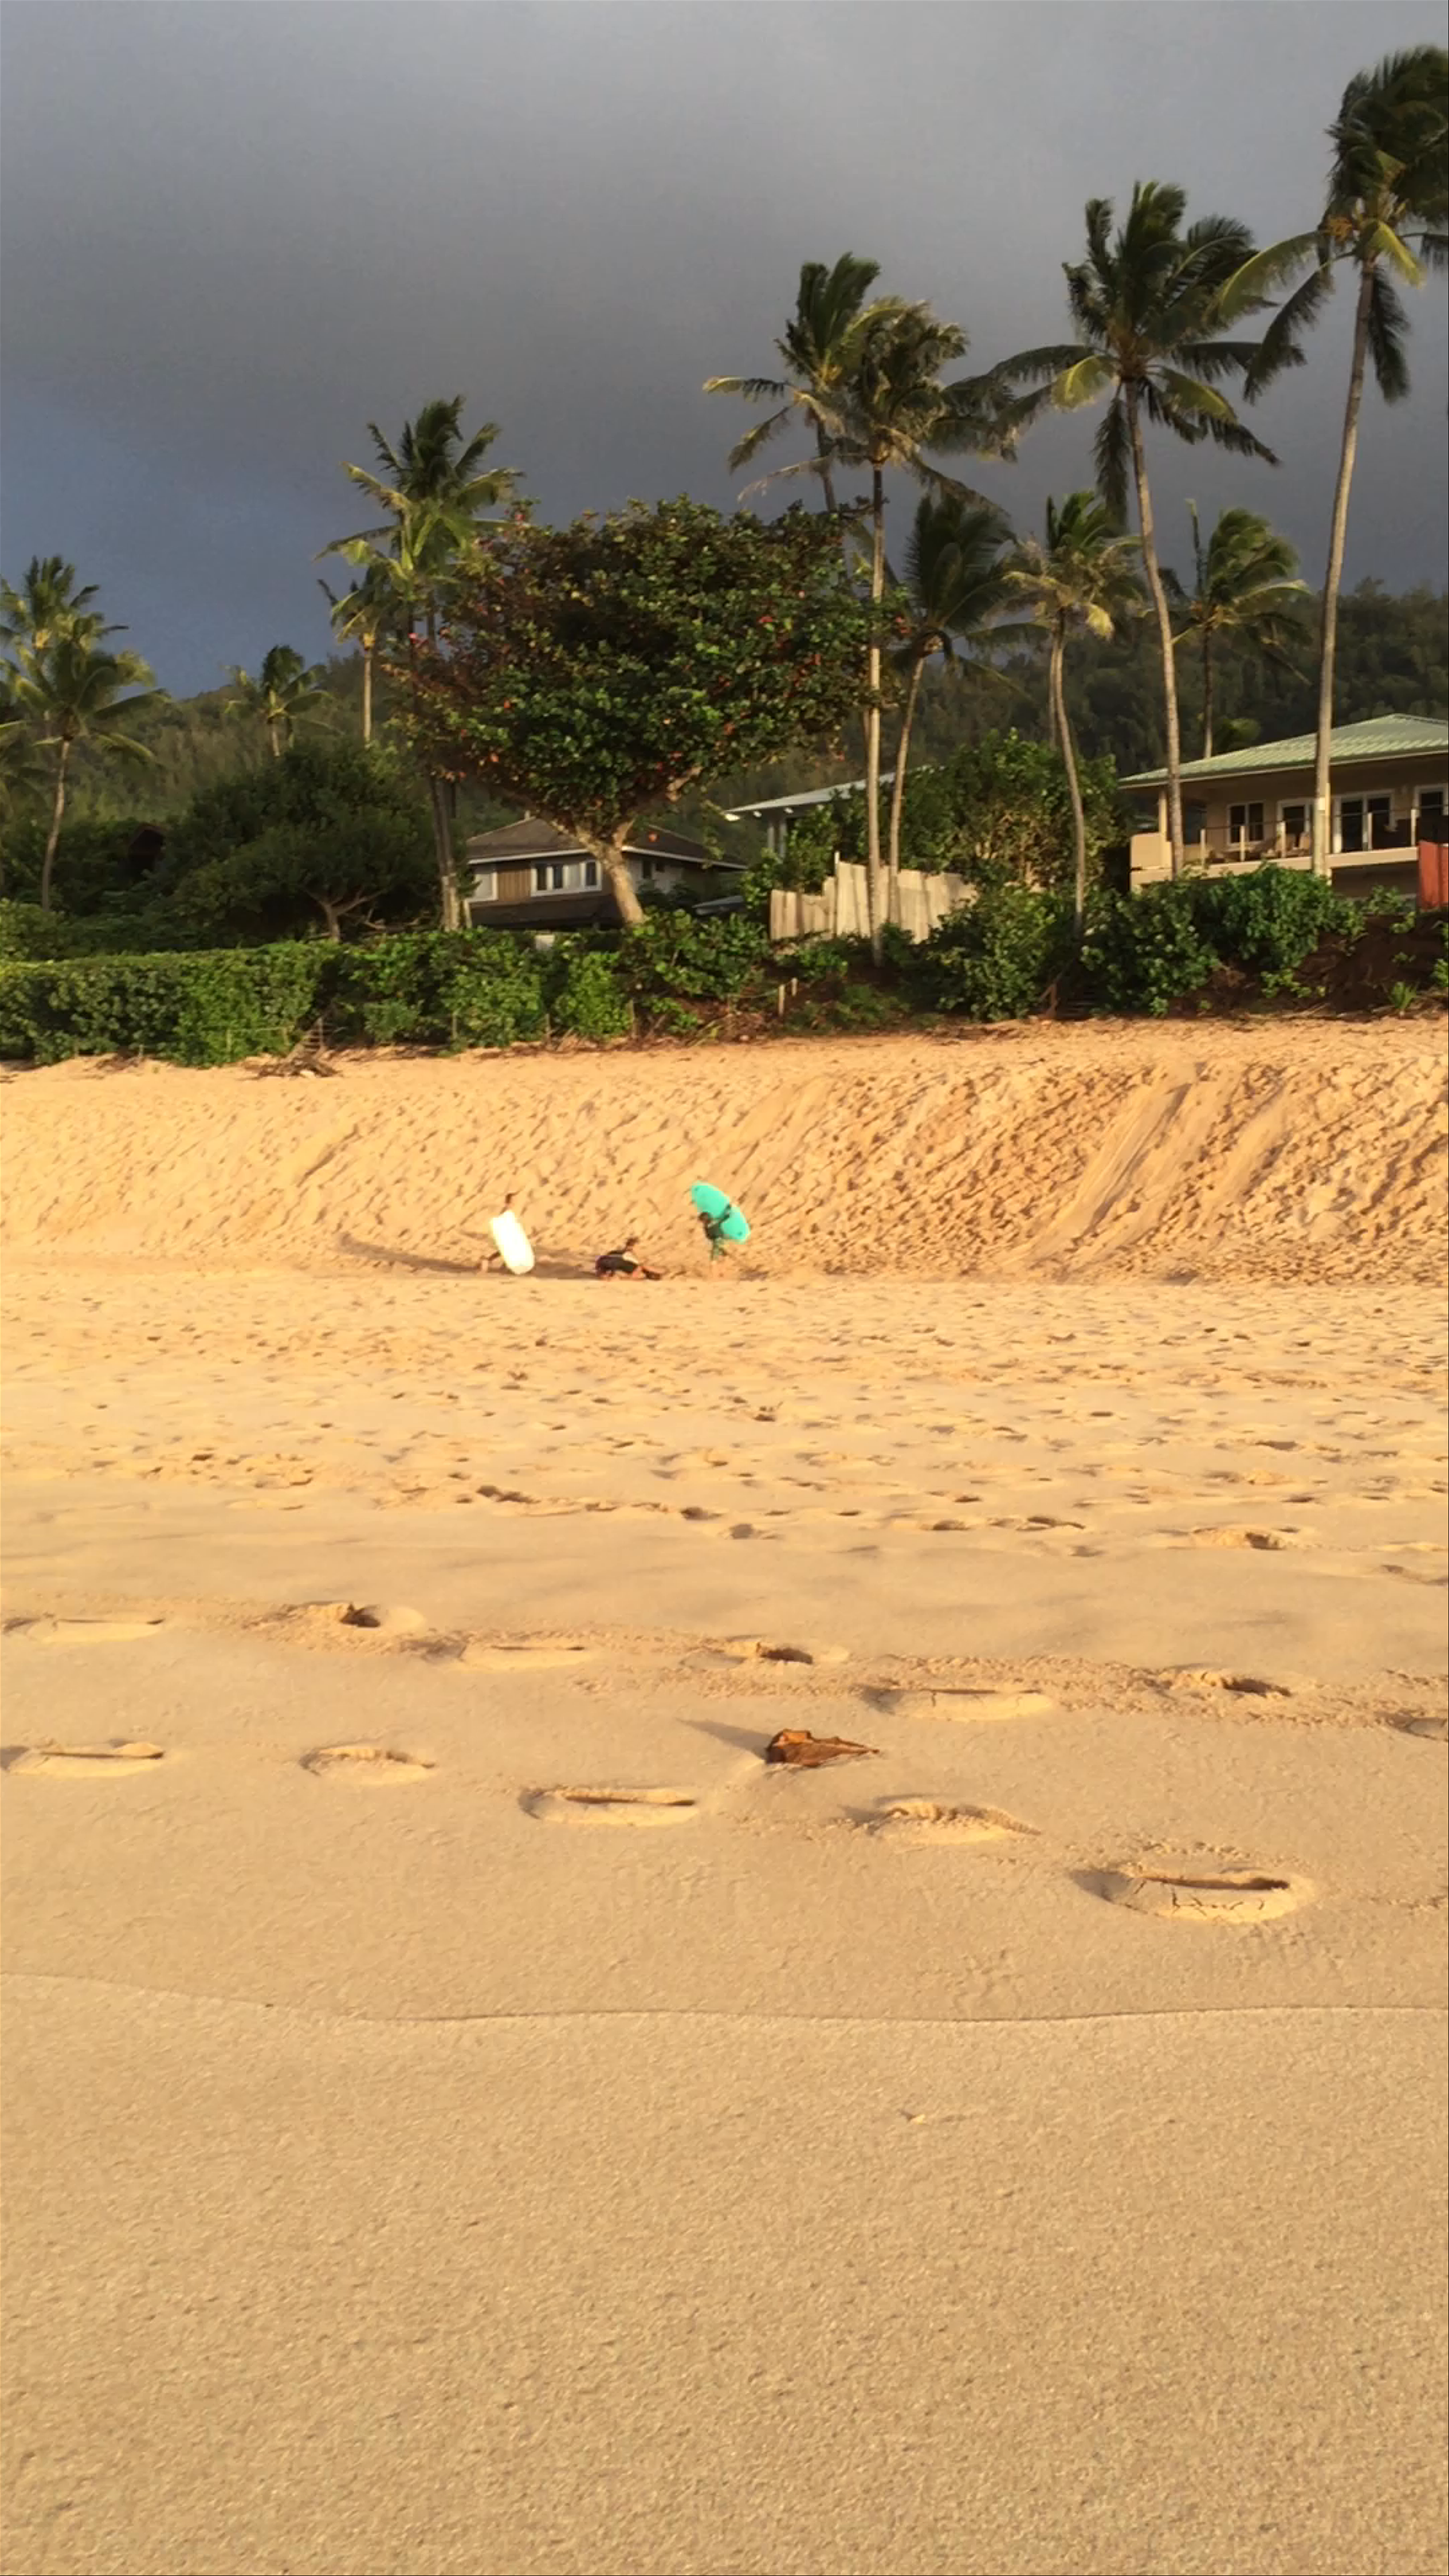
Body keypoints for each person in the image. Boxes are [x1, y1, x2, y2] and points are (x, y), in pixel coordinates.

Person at [594, 1236, 660, 1280]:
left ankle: (605, 1275)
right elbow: (639, 1265)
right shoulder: (628, 1255)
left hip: (610, 1264)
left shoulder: (615, 1253)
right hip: (620, 1266)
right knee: (641, 1267)